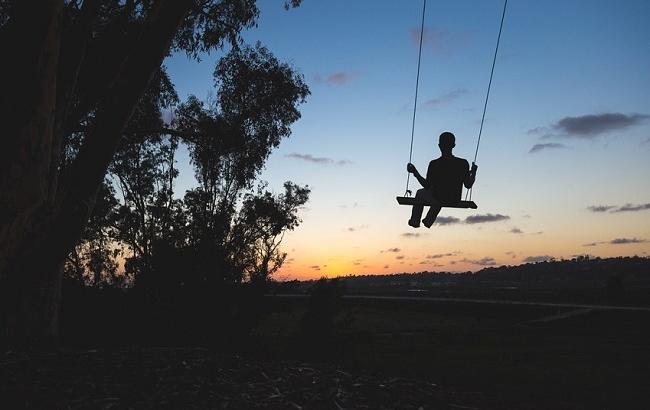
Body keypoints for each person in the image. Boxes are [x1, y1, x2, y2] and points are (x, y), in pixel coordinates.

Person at [407, 132, 478, 228]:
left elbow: (426, 185)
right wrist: (473, 172)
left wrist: (415, 172)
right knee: (439, 194)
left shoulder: (434, 164)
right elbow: (468, 185)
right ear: (453, 145)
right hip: (454, 199)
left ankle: (415, 221)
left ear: (439, 146)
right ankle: (428, 221)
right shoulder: (463, 163)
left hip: (438, 198)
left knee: (421, 193)